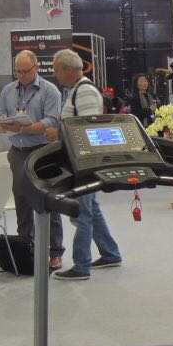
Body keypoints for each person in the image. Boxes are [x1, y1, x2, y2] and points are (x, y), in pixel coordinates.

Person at [46, 49, 122, 281]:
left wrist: (58, 133)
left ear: (69, 70)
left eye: (57, 70)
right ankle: (110, 253)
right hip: (83, 160)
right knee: (92, 209)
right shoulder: (78, 90)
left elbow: (88, 127)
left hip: (83, 161)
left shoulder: (84, 91)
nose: (55, 74)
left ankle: (81, 265)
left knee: (82, 213)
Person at [0, 51, 64, 271]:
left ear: (36, 67)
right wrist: (1, 123)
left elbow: (52, 121)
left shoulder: (49, 90)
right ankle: (26, 248)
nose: (22, 75)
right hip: (17, 151)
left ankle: (55, 252)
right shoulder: (8, 90)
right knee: (21, 199)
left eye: (26, 71)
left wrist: (24, 128)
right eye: (18, 71)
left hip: (42, 151)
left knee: (48, 199)